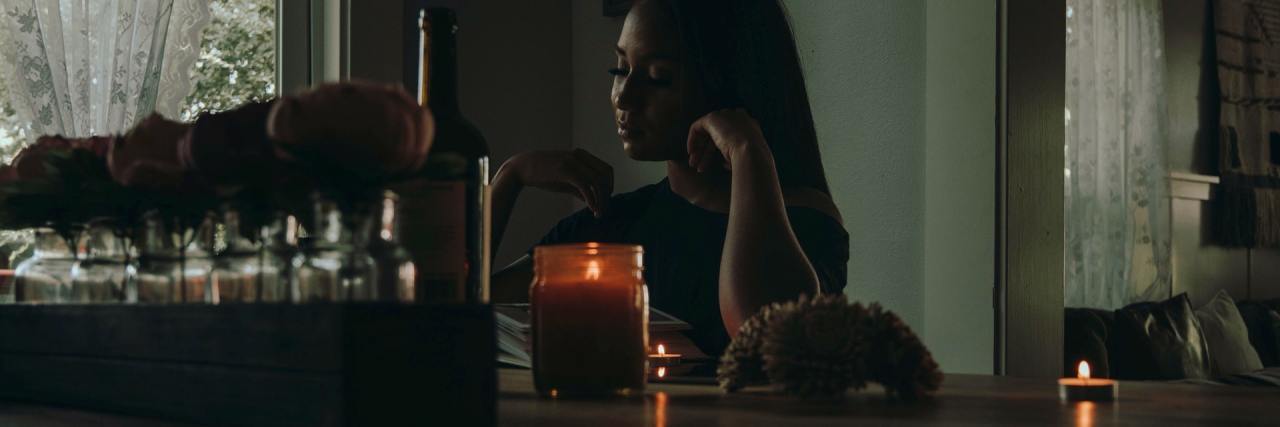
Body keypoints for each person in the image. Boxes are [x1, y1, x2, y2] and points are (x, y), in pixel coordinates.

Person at [490, 0, 848, 356]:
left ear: (727, 81)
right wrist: (508, 178)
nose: (624, 98)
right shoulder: (614, 224)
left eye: (658, 77)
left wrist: (748, 152)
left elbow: (766, 337)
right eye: (620, 69)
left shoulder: (803, 222)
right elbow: (470, 309)